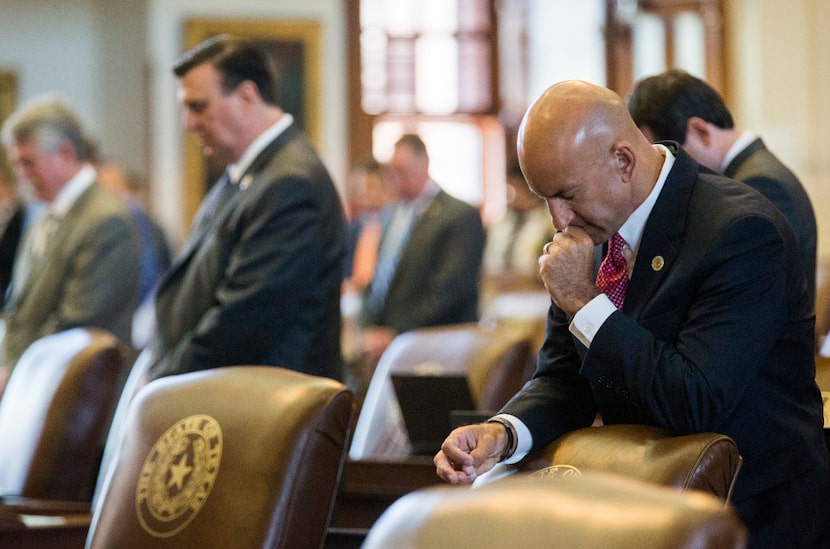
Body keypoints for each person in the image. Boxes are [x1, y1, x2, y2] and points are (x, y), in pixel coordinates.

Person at [434, 81, 830, 548]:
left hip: (752, 516)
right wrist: (503, 432)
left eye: (567, 194)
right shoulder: (593, 227)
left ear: (623, 161)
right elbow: (564, 379)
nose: (559, 220)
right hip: (639, 507)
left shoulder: (739, 230)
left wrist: (584, 302)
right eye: (545, 198)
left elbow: (695, 401)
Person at [145, 35, 346, 382]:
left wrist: (163, 383)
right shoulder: (249, 174)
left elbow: (242, 322)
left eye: (198, 106)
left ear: (246, 97)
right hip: (236, 395)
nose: (188, 123)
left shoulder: (290, 183)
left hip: (267, 409)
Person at [627, 69, 817, 304]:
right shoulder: (748, 173)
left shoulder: (759, 184)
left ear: (700, 131)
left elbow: (755, 290)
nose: (663, 170)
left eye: (666, 154)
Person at [0, 96, 140, 374]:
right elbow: (20, 313)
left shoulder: (105, 220)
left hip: (78, 395)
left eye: (28, 163)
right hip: (30, 386)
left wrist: (12, 374)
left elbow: (77, 327)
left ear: (64, 153)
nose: (22, 177)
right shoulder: (42, 216)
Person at [355, 134, 485, 395]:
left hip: (437, 346)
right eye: (392, 171)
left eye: (402, 170)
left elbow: (450, 289)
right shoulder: (392, 215)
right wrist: (370, 329)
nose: (395, 178)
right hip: (391, 346)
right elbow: (380, 280)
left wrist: (396, 333)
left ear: (424, 163)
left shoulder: (459, 215)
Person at [481, 161, 553, 299]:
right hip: (499, 295)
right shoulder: (503, 222)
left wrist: (522, 278)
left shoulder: (549, 223)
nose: (510, 196)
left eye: (515, 189)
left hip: (535, 297)